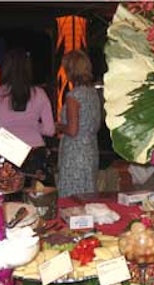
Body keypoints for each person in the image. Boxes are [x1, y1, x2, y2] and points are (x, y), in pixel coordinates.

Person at [0, 48, 55, 184]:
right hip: (35, 154)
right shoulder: (39, 94)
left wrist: (2, 127)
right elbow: (49, 130)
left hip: (6, 153)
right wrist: (32, 125)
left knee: (8, 200)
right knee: (37, 199)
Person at [56, 50, 101, 197]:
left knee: (72, 198)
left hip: (75, 153)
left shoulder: (73, 96)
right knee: (87, 194)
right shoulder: (93, 93)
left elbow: (73, 129)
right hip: (91, 149)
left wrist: (58, 126)